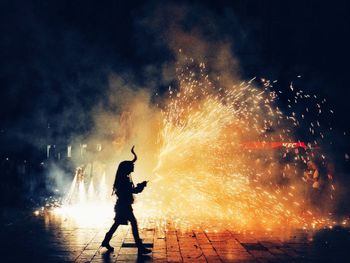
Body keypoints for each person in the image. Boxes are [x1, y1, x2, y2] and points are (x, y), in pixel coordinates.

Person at [101, 146, 151, 254]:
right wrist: (141, 186)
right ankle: (140, 246)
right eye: (132, 165)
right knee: (133, 222)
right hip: (124, 206)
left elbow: (131, 190)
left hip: (122, 205)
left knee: (117, 223)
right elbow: (132, 191)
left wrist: (139, 187)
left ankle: (106, 240)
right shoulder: (123, 178)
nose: (133, 166)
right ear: (127, 167)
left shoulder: (124, 177)